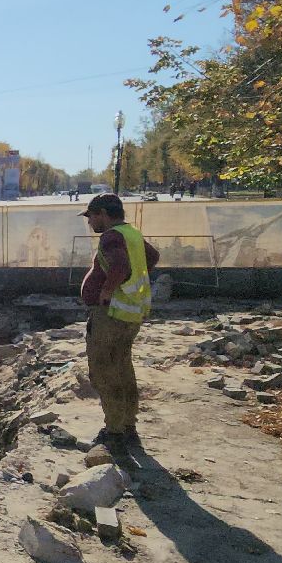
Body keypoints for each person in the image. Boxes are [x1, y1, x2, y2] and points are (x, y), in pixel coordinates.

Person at [80, 193, 160, 455]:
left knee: (104, 371)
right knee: (123, 368)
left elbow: (121, 265)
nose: (90, 223)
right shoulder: (131, 234)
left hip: (111, 315)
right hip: (130, 314)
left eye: (91, 217)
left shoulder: (112, 236)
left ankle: (114, 431)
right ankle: (128, 426)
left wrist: (107, 290)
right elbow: (152, 256)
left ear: (102, 213)